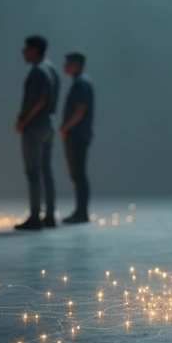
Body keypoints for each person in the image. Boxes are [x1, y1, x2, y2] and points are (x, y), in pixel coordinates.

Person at [13, 35, 60, 231]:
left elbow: (39, 99)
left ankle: (35, 217)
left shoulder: (38, 71)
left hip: (36, 126)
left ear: (35, 50)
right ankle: (49, 215)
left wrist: (23, 120)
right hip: (49, 124)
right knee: (47, 171)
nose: (23, 52)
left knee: (34, 173)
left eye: (26, 49)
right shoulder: (51, 69)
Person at [59, 52, 94, 225]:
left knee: (79, 174)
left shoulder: (81, 84)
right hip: (78, 134)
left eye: (67, 63)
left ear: (76, 64)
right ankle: (81, 212)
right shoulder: (81, 83)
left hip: (77, 135)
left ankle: (81, 213)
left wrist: (65, 127)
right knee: (78, 174)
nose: (64, 66)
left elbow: (80, 110)